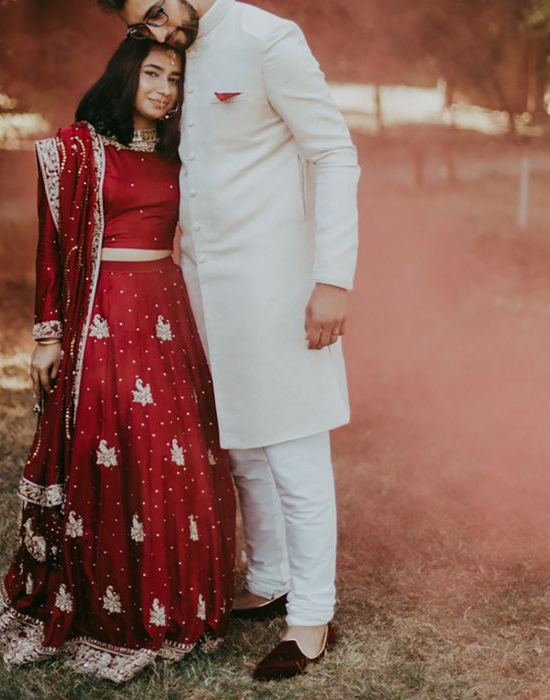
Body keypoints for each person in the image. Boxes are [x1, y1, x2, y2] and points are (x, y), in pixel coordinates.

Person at [97, 0, 361, 681]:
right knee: (238, 439)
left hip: (278, 280)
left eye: (157, 12)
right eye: (143, 27)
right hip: (203, 282)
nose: (159, 33)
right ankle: (269, 577)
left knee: (293, 445)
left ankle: (311, 617)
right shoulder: (184, 49)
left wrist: (333, 279)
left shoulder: (268, 39)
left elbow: (333, 153)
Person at [0, 38, 236, 684]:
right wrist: (49, 334)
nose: (165, 88)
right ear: (127, 75)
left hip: (166, 314)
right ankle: (103, 603)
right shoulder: (79, 151)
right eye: (153, 73)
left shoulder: (182, 154)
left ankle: (178, 603)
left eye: (176, 79)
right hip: (103, 317)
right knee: (113, 448)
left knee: (177, 456)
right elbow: (51, 245)